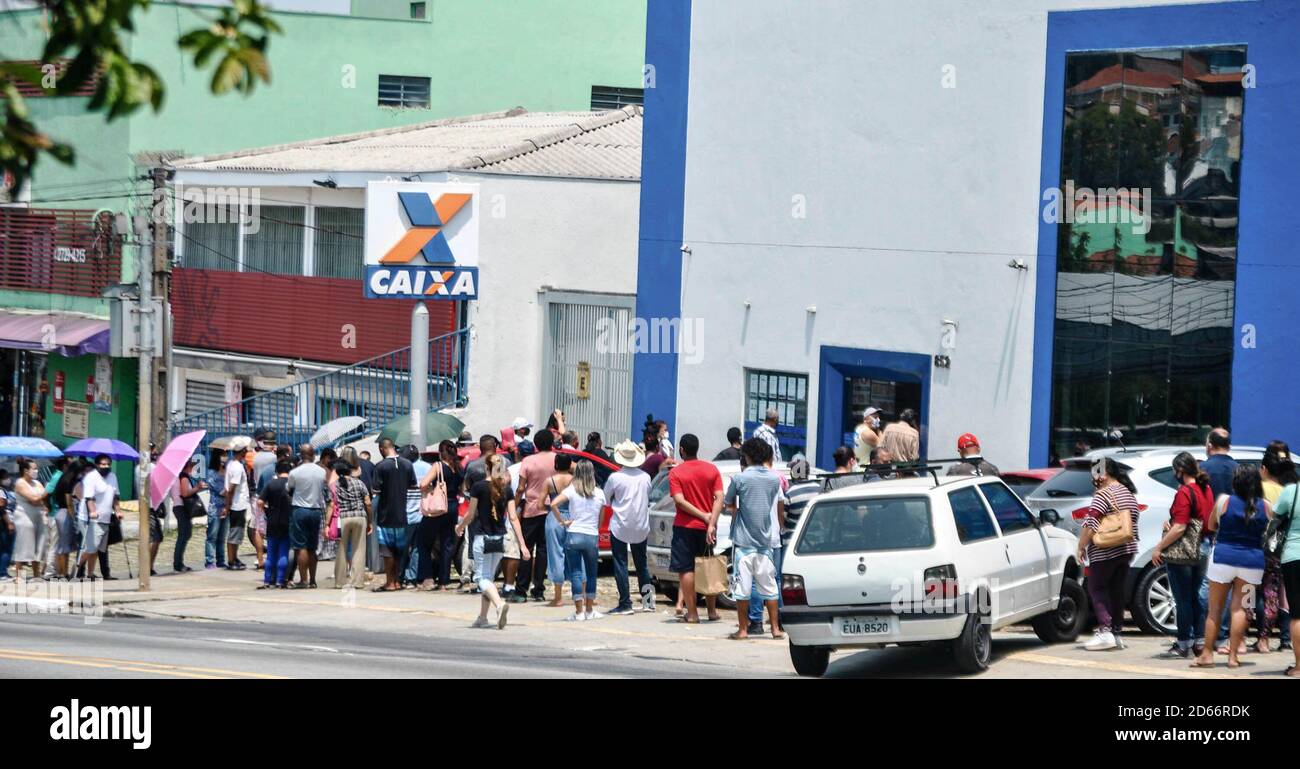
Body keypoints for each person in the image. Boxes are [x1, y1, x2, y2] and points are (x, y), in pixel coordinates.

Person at [1193, 465, 1273, 670]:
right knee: (1243, 609)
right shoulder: (1265, 506)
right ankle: (1234, 656)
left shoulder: (1224, 501)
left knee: (1214, 610)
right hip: (1253, 565)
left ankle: (1207, 655)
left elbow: (1210, 526)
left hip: (1222, 560)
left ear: (1235, 482)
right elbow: (1269, 533)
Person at [1151, 452, 1214, 657]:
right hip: (1204, 546)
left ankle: (1183, 643)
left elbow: (1179, 527)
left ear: (1179, 470)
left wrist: (1159, 547)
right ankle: (1199, 641)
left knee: (1183, 598)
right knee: (1196, 596)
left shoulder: (1185, 492)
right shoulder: (1206, 489)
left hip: (1184, 550)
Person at [457, 453, 528, 629]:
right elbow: (513, 518)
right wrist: (523, 545)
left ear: (486, 468)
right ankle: (482, 617)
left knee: (480, 577)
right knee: (488, 578)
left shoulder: (479, 487)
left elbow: (471, 515)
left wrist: (459, 527)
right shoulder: (507, 489)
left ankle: (499, 604)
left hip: (482, 537)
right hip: (500, 538)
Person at [1077, 457, 1141, 651]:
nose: (1093, 478)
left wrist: (1081, 546)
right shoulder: (1127, 493)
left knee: (1097, 588)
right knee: (1117, 591)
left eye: (1095, 473)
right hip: (1126, 549)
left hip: (1105, 551)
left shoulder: (1103, 494)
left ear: (1103, 474)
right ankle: (1116, 633)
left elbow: (1092, 522)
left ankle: (1105, 632)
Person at [725, 439, 786, 640]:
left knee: (742, 589)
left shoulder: (739, 479)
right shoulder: (774, 480)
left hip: (743, 542)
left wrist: (737, 509)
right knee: (770, 588)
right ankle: (775, 628)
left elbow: (729, 503)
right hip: (766, 542)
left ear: (747, 456)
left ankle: (743, 629)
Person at [668, 434, 724, 623]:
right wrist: (711, 521)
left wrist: (702, 516)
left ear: (682, 450)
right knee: (707, 567)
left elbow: (679, 501)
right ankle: (712, 611)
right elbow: (719, 497)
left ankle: (692, 613)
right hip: (706, 528)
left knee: (686, 569)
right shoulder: (711, 469)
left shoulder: (676, 472)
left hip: (684, 527)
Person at [1198, 427, 1239, 648]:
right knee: (1231, 588)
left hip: (1206, 535)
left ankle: (1207, 632)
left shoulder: (1201, 469)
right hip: (1234, 537)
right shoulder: (1239, 469)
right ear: (1229, 446)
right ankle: (1222, 636)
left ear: (1209, 445)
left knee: (1205, 587)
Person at [552, 459, 606, 621]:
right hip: (591, 535)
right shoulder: (599, 493)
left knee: (576, 573)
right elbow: (601, 518)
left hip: (574, 533)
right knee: (591, 573)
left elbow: (554, 503)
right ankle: (589, 609)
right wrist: (595, 528)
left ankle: (578, 611)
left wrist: (563, 521)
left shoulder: (572, 490)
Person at [604, 440, 654, 614]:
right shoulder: (645, 477)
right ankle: (648, 602)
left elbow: (607, 499)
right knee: (642, 564)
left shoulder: (615, 477)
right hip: (641, 524)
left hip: (620, 524)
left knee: (620, 563)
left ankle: (625, 603)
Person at [1259, 441, 1295, 652]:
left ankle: (1263, 637)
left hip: (1263, 547)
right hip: (1286, 547)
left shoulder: (1259, 488)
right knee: (1284, 594)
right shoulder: (1288, 489)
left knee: (1264, 593)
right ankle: (1285, 638)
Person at [514, 428, 558, 602]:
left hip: (531, 508)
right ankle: (538, 589)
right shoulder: (557, 459)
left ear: (536, 444)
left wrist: (515, 505)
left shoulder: (528, 461)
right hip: (551, 508)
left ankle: (521, 590)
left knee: (526, 549)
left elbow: (520, 488)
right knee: (543, 551)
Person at [371, 438, 415, 592]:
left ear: (383, 449)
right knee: (400, 550)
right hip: (402, 514)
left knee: (387, 551)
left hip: (385, 515)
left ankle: (390, 582)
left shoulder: (380, 466)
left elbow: (376, 490)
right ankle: (397, 581)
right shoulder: (407, 464)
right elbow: (412, 484)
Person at [416, 440, 461, 590]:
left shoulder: (438, 466)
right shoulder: (458, 467)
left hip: (438, 507)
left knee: (423, 542)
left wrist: (430, 487)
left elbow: (423, 484)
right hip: (453, 506)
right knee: (447, 544)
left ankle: (427, 578)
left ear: (441, 452)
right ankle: (444, 581)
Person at [286, 444, 328, 588]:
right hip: (315, 510)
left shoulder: (295, 472)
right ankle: (313, 580)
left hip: (300, 509)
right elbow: (324, 488)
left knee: (301, 547)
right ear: (313, 455)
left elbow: (289, 489)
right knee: (312, 547)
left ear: (301, 455)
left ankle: (303, 580)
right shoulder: (321, 472)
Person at [1272, 456, 1300, 676]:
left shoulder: (1290, 492)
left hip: (1294, 556)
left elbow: (1274, 515)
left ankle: (1299, 666)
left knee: (1297, 615)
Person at [333, 455, 372, 589]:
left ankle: (340, 581)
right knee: (359, 549)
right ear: (349, 470)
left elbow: (331, 505)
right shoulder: (359, 483)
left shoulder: (335, 485)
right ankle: (357, 581)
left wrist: (327, 524)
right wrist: (370, 521)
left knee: (341, 550)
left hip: (343, 518)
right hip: (360, 516)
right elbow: (367, 502)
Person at [76, 456, 117, 581]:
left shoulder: (112, 477)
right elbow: (89, 498)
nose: (105, 466)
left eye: (108, 464)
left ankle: (90, 573)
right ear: (97, 464)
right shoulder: (91, 477)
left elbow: (116, 495)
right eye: (102, 464)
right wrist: (93, 511)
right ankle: (77, 569)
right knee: (90, 547)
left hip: (105, 517)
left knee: (97, 548)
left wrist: (118, 511)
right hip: (89, 518)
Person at [257, 461, 295, 589]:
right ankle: (280, 580)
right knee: (284, 552)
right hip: (287, 520)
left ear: (276, 471)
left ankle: (267, 581)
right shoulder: (291, 485)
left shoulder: (270, 484)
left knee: (271, 553)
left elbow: (259, 501)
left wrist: (267, 510)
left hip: (272, 520)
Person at [543, 453, 574, 606]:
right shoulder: (575, 481)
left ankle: (558, 597)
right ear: (570, 465)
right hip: (572, 518)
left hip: (554, 517)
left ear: (555, 464)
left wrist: (548, 510)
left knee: (555, 554)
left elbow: (540, 503)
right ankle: (581, 593)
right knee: (576, 555)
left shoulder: (549, 481)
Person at [49, 458, 87, 580]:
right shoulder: (69, 482)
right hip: (66, 514)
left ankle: (63, 573)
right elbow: (69, 501)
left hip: (61, 513)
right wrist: (73, 517)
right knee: (63, 547)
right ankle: (62, 573)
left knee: (64, 546)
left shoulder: (64, 478)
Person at [11, 458, 48, 580]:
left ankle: (36, 574)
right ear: (26, 470)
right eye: (34, 468)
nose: (36, 471)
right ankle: (19, 576)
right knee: (24, 545)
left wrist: (41, 498)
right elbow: (34, 499)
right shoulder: (20, 483)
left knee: (38, 546)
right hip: (24, 516)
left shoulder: (37, 483)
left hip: (38, 516)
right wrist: (47, 492)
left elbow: (41, 499)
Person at [174, 456, 205, 573]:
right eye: (191, 466)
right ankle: (178, 563)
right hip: (181, 508)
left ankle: (179, 562)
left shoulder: (181, 476)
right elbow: (185, 493)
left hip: (179, 508)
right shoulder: (183, 476)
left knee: (185, 535)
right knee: (183, 536)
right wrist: (197, 488)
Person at [38, 456, 67, 579]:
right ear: (64, 465)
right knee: (54, 545)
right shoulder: (58, 477)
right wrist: (48, 506)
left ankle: (50, 571)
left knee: (53, 544)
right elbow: (44, 495)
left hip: (54, 515)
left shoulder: (57, 475)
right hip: (55, 515)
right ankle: (50, 573)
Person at [223, 445, 251, 570]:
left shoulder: (232, 464)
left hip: (239, 503)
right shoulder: (238, 467)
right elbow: (232, 488)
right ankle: (231, 560)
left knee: (238, 532)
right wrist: (227, 506)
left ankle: (234, 557)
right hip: (237, 504)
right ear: (242, 452)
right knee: (235, 532)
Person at [205, 448, 228, 569]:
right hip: (215, 508)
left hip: (226, 507)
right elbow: (220, 491)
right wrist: (230, 490)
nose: (225, 457)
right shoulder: (211, 473)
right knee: (212, 536)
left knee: (222, 536)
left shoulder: (227, 471)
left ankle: (221, 559)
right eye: (223, 455)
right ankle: (209, 560)